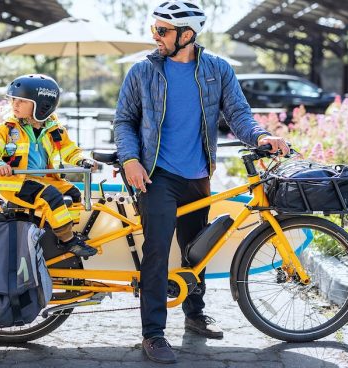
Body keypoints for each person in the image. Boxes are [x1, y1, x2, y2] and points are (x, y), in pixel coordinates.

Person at [113, 1, 290, 364]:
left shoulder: (216, 70)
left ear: (187, 35)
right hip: (155, 176)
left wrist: (260, 137)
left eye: (162, 31)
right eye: (155, 29)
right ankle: (154, 334)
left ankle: (194, 314)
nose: (155, 36)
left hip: (197, 175)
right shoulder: (142, 72)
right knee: (158, 251)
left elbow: (238, 113)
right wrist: (130, 159)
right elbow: (124, 121)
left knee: (197, 251)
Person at [0, 74, 98, 257]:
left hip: (42, 180)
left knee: (73, 193)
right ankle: (68, 240)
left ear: (42, 105)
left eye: (22, 101)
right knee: (50, 195)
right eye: (14, 100)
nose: (15, 104)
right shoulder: (7, 128)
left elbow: (71, 151)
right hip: (15, 182)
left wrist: (83, 160)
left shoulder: (55, 130)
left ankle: (65, 232)